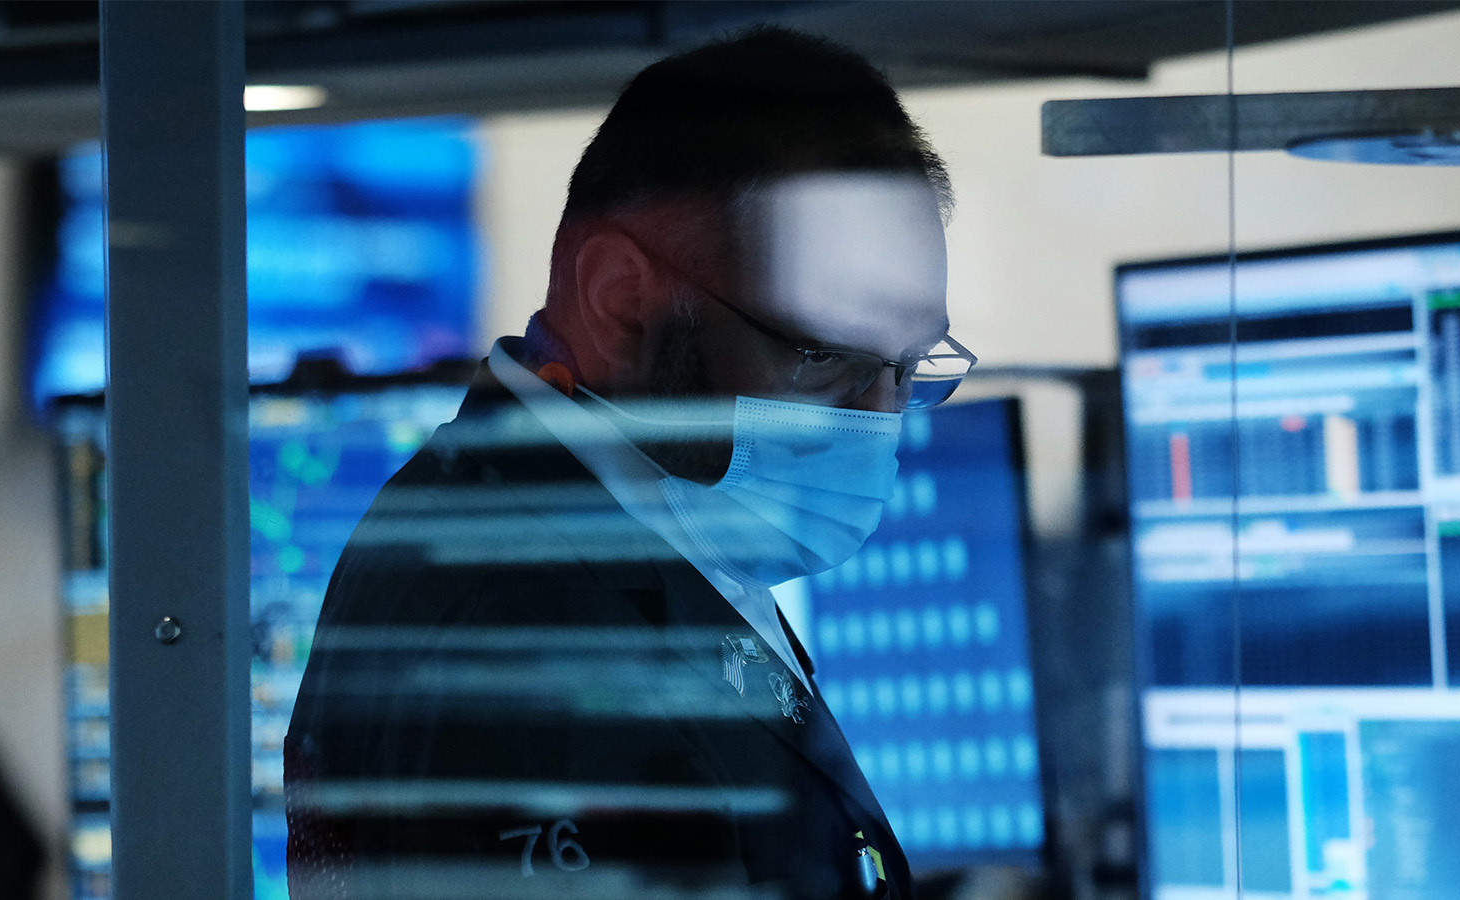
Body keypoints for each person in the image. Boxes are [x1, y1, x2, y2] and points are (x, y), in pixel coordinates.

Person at [285, 27, 974, 900]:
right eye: (825, 356)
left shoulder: (644, 526)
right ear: (621, 303)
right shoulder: (520, 623)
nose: (879, 422)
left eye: (910, 368)